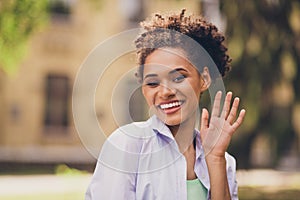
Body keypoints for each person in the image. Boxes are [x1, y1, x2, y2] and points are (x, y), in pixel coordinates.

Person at [85, 9, 246, 200]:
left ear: (204, 79)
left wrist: (215, 159)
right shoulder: (126, 145)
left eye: (178, 77)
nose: (165, 92)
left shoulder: (224, 161)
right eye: (152, 83)